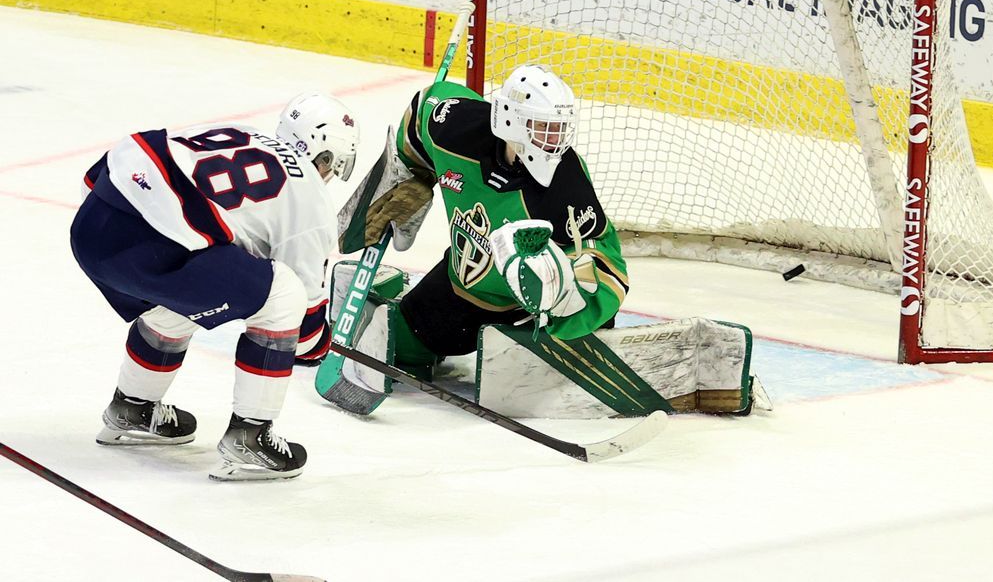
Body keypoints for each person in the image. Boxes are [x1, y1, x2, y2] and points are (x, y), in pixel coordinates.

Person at [69, 93, 358, 480]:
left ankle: (133, 407)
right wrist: (320, 343)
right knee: (283, 294)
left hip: (93, 224)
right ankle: (250, 437)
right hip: (148, 246)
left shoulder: (243, 132)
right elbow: (304, 329)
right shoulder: (310, 197)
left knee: (186, 287)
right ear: (326, 158)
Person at [323, 65, 629, 415]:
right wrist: (411, 171)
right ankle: (389, 292)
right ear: (511, 122)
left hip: (531, 313)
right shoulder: (457, 129)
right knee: (402, 347)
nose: (554, 140)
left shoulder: (565, 182)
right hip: (463, 290)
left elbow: (607, 263)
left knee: (536, 378)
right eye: (544, 128)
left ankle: (568, 345)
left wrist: (565, 299)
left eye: (560, 129)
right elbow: (424, 109)